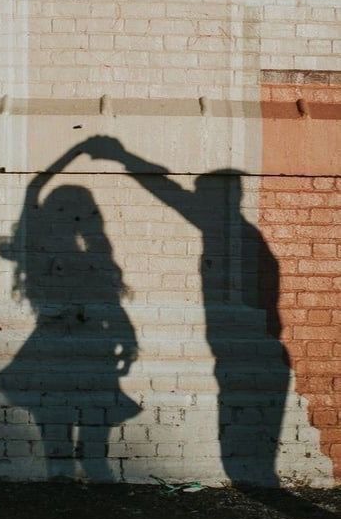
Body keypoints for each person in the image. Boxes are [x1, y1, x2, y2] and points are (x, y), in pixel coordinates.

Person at [85, 136, 286, 486]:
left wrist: (123, 156)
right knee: (246, 455)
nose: (199, 200)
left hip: (246, 351)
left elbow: (171, 193)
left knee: (248, 458)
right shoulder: (232, 233)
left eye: (204, 193)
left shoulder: (233, 232)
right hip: (239, 349)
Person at [0, 144, 140, 479]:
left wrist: (75, 152)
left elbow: (34, 188)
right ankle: (84, 487)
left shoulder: (43, 251)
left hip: (63, 342)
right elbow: (113, 305)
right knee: (80, 425)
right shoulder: (54, 250)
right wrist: (77, 150)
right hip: (84, 343)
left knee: (61, 422)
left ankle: (69, 487)